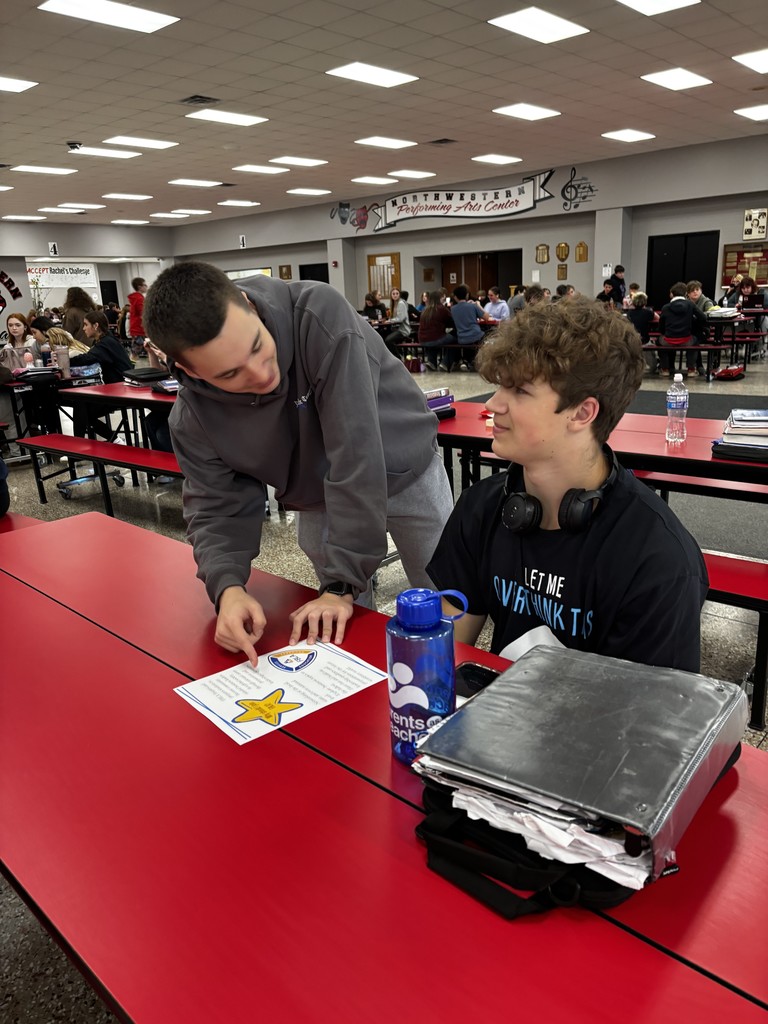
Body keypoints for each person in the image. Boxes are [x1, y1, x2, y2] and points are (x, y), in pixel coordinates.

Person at [143, 261, 454, 664]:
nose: (260, 374)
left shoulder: (319, 314)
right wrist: (228, 589)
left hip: (405, 466)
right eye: (231, 373)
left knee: (442, 591)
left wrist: (341, 583)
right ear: (188, 371)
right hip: (317, 491)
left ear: (248, 305)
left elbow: (355, 452)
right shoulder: (192, 417)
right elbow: (215, 505)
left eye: (257, 345)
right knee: (341, 621)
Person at [427, 297, 707, 673]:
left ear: (582, 412)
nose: (493, 404)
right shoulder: (480, 508)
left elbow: (647, 706)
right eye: (500, 386)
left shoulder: (658, 561)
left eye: (519, 390)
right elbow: (441, 655)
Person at [69, 310, 134, 437]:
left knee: (82, 408)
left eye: (86, 324)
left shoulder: (106, 343)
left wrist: (65, 361)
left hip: (120, 391)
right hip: (115, 388)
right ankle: (112, 440)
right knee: (81, 406)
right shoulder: (105, 340)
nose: (83, 328)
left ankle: (110, 440)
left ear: (96, 325)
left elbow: (87, 359)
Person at [658, 281, 708, 377]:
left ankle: (665, 369)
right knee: (695, 340)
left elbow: (661, 328)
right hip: (686, 340)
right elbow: (703, 317)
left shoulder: (665, 307)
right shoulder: (690, 304)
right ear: (686, 293)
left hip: (668, 341)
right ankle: (691, 369)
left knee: (659, 341)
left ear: (672, 294)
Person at [451, 284, 490, 371]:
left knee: (467, 341)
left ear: (455, 297)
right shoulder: (472, 306)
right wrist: (478, 305)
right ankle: (477, 361)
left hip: (462, 338)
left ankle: (466, 361)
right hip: (476, 335)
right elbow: (487, 317)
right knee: (486, 335)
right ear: (467, 295)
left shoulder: (453, 309)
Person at [418, 289, 454, 371]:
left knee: (434, 338)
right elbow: (452, 322)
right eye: (442, 298)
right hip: (434, 339)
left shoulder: (425, 309)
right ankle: (445, 363)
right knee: (456, 340)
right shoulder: (442, 309)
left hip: (422, 339)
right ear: (440, 298)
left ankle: (432, 362)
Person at [383, 286, 410, 357]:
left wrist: (390, 321)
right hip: (395, 328)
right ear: (391, 295)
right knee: (382, 335)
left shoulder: (401, 303)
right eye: (393, 294)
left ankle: (398, 358)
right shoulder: (393, 304)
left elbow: (400, 319)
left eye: (397, 293)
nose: (395, 295)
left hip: (403, 330)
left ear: (399, 294)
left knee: (388, 340)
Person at [128, 277, 149, 356]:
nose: (146, 286)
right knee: (136, 351)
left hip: (137, 328)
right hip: (139, 328)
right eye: (145, 285)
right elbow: (143, 313)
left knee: (138, 350)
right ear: (140, 287)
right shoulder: (139, 298)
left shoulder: (136, 298)